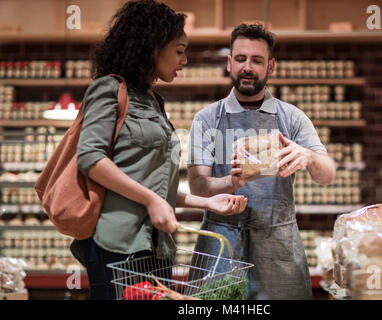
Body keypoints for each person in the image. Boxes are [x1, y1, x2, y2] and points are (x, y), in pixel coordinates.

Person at [70, 0, 247, 300]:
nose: (185, 60)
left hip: (158, 249)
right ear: (152, 47)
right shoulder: (109, 89)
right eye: (179, 51)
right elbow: (90, 158)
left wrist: (207, 203)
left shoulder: (154, 101)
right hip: (119, 248)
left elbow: (154, 185)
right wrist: (151, 200)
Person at [188, 23, 336, 300]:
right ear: (229, 63)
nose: (248, 67)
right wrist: (229, 182)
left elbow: (327, 175)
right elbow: (197, 185)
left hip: (278, 247)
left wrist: (310, 157)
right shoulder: (207, 119)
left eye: (257, 60)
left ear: (271, 66)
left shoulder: (292, 117)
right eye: (241, 59)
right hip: (221, 245)